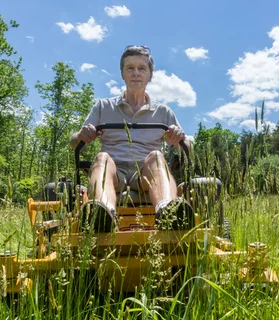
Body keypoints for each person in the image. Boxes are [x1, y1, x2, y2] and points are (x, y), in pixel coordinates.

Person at [70, 45, 194, 232]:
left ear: (150, 75)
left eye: (142, 68)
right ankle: (104, 215)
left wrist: (180, 139)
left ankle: (167, 213)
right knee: (101, 157)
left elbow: (188, 148)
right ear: (122, 74)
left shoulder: (163, 112)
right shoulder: (103, 107)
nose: (136, 73)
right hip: (114, 172)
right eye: (130, 68)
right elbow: (74, 143)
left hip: (145, 173)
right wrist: (81, 135)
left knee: (156, 156)